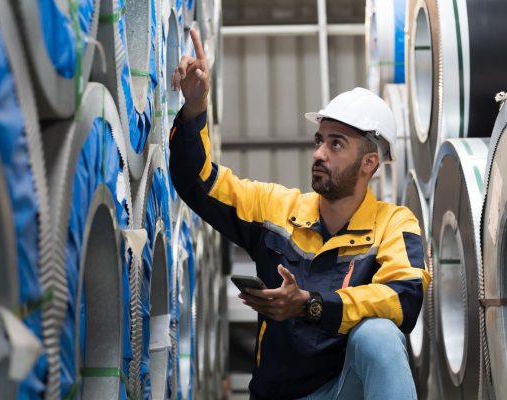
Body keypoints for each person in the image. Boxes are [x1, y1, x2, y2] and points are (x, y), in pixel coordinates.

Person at [170, 29, 431, 400]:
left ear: (369, 162)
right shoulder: (278, 210)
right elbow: (200, 184)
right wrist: (195, 109)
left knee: (379, 335)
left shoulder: (394, 224)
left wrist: (310, 304)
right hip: (277, 394)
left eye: (335, 144)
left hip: (341, 390)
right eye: (319, 141)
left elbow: (403, 299)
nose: (319, 153)